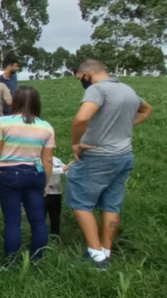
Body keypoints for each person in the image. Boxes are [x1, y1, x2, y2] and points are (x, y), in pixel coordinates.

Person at [68, 59, 152, 267]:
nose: (81, 82)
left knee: (80, 202)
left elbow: (81, 119)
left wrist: (76, 143)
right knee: (111, 204)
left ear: (87, 75)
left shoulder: (97, 90)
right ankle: (106, 250)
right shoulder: (127, 90)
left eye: (80, 78)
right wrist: (121, 126)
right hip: (124, 156)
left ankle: (95, 255)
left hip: (98, 157)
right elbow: (146, 110)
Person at [0, 86, 54, 266]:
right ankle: (37, 260)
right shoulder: (46, 127)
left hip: (8, 174)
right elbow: (48, 159)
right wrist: (46, 182)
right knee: (37, 221)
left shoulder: (3, 123)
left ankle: (10, 262)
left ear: (15, 101)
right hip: (35, 174)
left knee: (12, 221)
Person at [46, 157, 71, 236]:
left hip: (56, 193)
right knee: (40, 217)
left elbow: (67, 171)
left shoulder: (56, 160)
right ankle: (39, 237)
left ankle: (55, 237)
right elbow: (45, 170)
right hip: (42, 193)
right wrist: (64, 168)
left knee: (55, 217)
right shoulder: (37, 159)